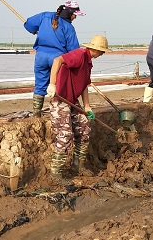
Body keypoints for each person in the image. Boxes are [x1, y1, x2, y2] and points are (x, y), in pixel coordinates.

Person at [46, 35, 110, 186]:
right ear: (95, 49)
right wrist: (52, 84)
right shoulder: (80, 55)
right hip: (61, 99)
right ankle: (56, 173)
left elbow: (84, 85)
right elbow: (58, 60)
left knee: (84, 127)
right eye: (102, 51)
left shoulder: (88, 63)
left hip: (72, 101)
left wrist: (87, 106)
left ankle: (78, 165)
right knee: (65, 133)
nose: (102, 54)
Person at [24, 0, 85, 117]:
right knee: (59, 86)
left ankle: (36, 114)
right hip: (57, 60)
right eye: (74, 15)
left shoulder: (45, 16)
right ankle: (59, 113)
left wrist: (34, 30)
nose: (75, 18)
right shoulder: (69, 28)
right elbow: (74, 52)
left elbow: (28, 24)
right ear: (69, 13)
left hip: (41, 57)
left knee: (40, 85)